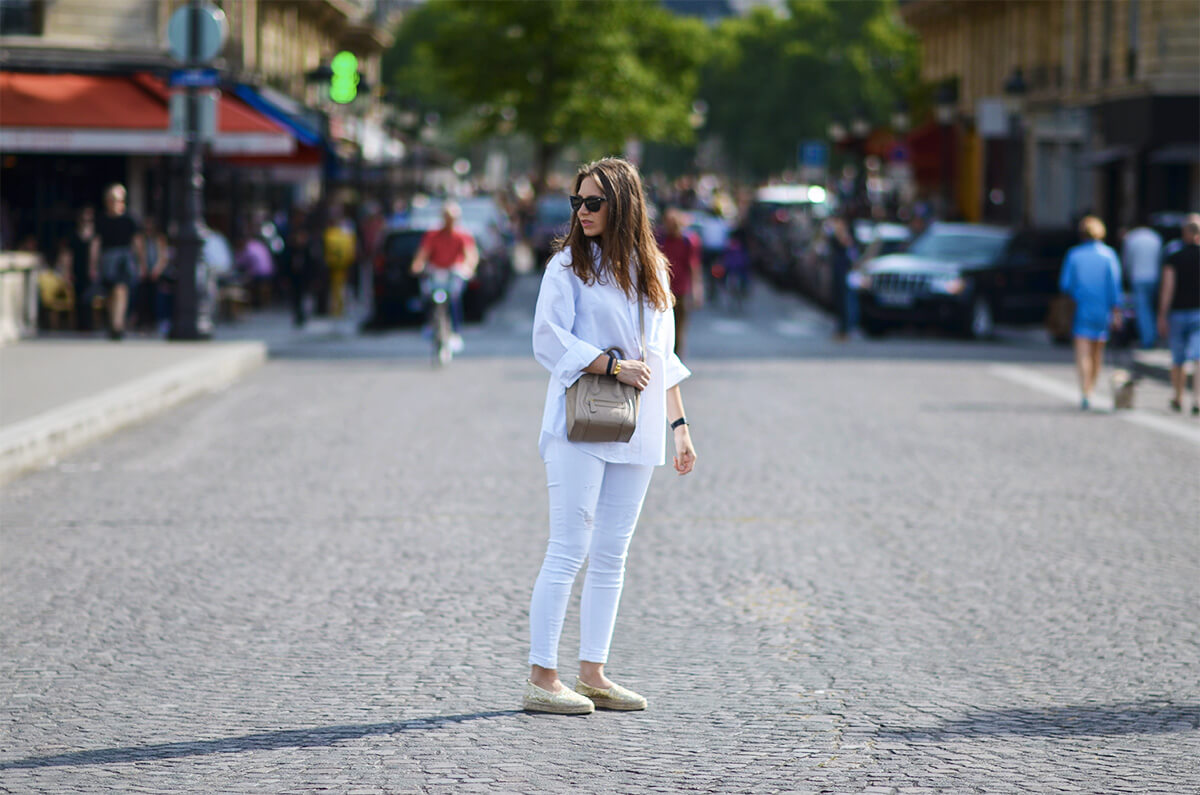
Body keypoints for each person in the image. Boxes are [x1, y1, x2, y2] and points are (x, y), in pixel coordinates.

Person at [525, 157, 697, 715]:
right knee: (568, 548)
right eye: (577, 201)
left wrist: (680, 427)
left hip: (639, 425)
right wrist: (608, 365)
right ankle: (542, 677)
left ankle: (593, 672)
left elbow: (662, 358)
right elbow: (548, 340)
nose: (582, 211)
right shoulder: (567, 267)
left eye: (593, 202)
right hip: (580, 420)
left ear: (622, 203)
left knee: (612, 553)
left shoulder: (653, 271)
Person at [1059, 216, 1123, 410]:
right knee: (1097, 351)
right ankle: (1092, 387)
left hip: (1081, 307)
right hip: (1102, 308)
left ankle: (1085, 391)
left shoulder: (1074, 255)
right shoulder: (1109, 255)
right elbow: (1115, 286)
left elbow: (1065, 284)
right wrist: (1116, 311)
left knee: (1082, 351)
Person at [411, 202, 478, 352]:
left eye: (453, 217)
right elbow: (422, 254)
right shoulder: (433, 235)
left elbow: (470, 255)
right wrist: (418, 265)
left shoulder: (462, 235)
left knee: (454, 297)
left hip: (453, 272)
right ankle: (429, 324)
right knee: (428, 295)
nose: (450, 221)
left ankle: (455, 331)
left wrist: (467, 268)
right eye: (447, 217)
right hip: (436, 272)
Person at [89, 184, 145, 340]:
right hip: (107, 258)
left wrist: (142, 263)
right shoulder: (102, 220)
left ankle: (117, 325)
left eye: (119, 199)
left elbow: (138, 242)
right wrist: (92, 265)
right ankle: (114, 322)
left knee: (121, 289)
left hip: (124, 258)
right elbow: (96, 243)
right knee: (110, 293)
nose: (116, 203)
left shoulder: (130, 219)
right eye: (113, 199)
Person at [1157, 216, 1200, 415]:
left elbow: (1168, 287)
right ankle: (1197, 399)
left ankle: (1178, 396)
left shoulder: (1174, 254)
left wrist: (1162, 313)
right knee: (1199, 358)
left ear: (1184, 232)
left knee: (1178, 358)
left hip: (1178, 312)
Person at [657, 208, 702, 359]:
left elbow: (693, 266)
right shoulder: (660, 239)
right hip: (662, 290)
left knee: (678, 328)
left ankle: (675, 358)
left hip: (681, 290)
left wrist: (696, 290)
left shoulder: (688, 241)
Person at [1122, 220, 1163, 348]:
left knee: (1142, 309)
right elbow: (1160, 259)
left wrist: (1126, 276)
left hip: (1138, 277)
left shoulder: (1132, 238)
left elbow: (1127, 260)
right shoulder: (1156, 238)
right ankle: (1153, 336)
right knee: (1152, 307)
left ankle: (1147, 339)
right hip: (1154, 276)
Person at [68, 206, 96, 331]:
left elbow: (96, 254)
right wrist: (68, 271)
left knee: (89, 297)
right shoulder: (74, 235)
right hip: (77, 268)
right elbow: (68, 254)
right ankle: (80, 325)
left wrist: (94, 268)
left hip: (90, 269)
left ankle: (89, 325)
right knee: (78, 297)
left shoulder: (95, 236)